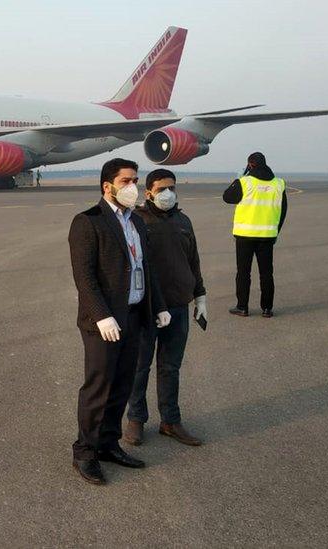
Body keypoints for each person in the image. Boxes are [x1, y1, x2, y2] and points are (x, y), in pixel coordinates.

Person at [68, 158, 170, 485]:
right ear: (107, 186)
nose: (132, 187)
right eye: (126, 181)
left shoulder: (137, 222)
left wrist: (159, 305)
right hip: (104, 322)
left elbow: (146, 268)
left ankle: (108, 444)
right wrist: (102, 315)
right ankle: (85, 452)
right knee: (98, 387)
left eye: (135, 180)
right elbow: (84, 277)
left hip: (134, 315)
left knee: (123, 384)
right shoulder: (88, 222)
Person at [125, 169, 205, 447]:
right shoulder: (137, 221)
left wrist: (200, 296)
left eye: (172, 187)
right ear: (148, 193)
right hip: (146, 309)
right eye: (161, 189)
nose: (167, 193)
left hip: (179, 306)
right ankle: (136, 419)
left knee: (170, 367)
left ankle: (170, 421)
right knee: (140, 366)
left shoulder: (184, 221)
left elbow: (193, 261)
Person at [223, 152, 286, 318]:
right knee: (266, 273)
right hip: (267, 236)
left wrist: (239, 179)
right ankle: (267, 308)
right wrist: (275, 231)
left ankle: (242, 307)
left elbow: (227, 197)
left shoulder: (245, 182)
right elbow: (283, 210)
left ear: (250, 165)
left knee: (243, 272)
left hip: (245, 235)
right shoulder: (278, 184)